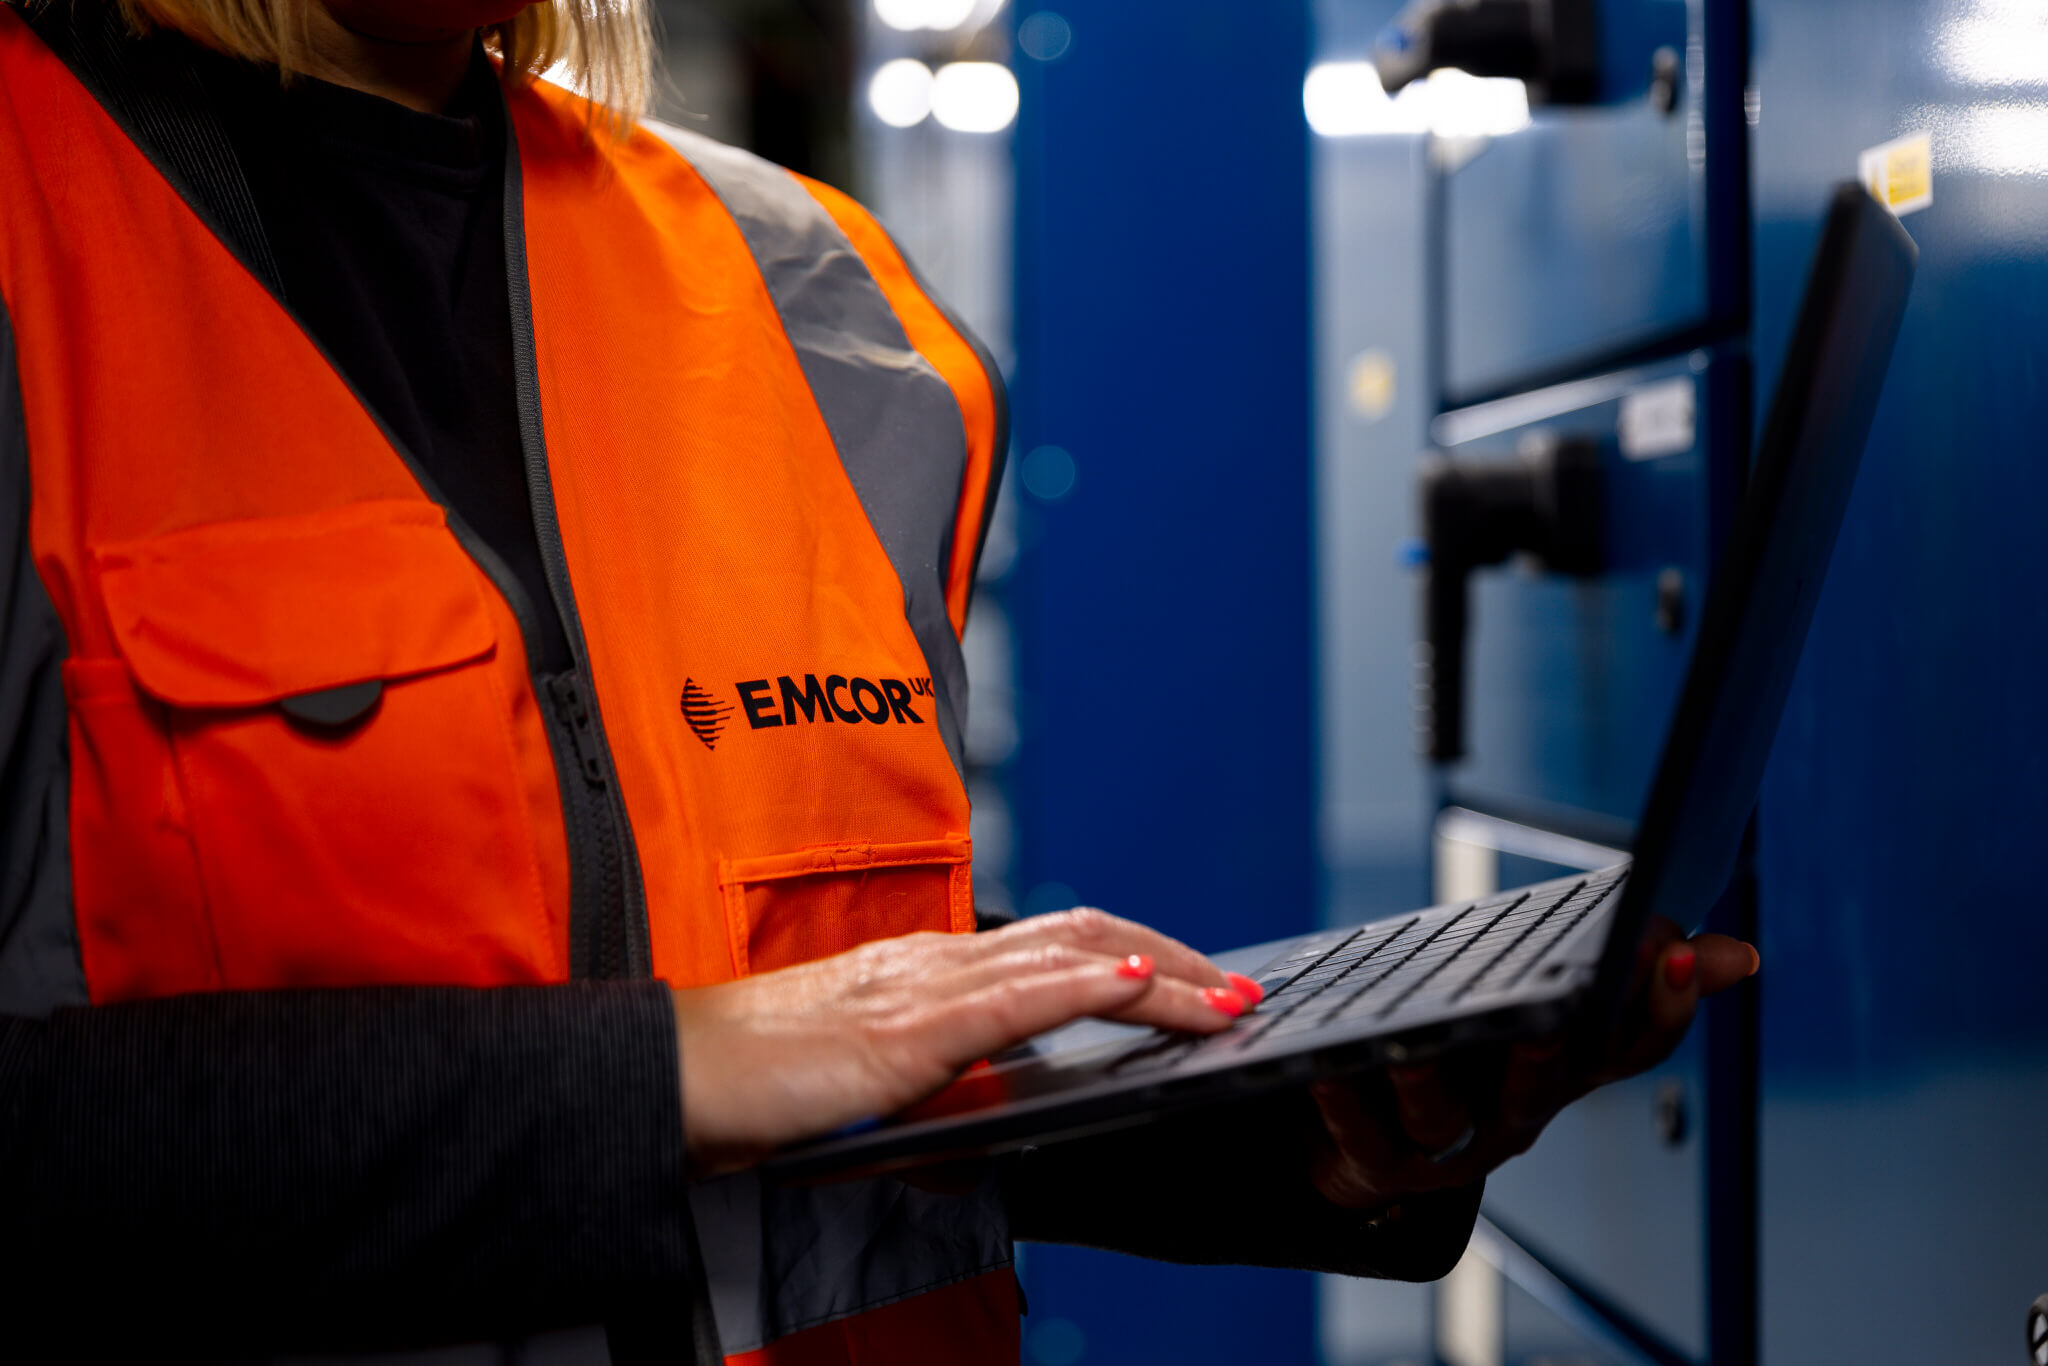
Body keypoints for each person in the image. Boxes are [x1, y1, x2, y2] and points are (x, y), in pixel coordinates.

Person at [0, 0, 1759, 1359]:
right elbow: (734, 1047)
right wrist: (668, 1069)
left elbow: (823, 1055)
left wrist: (1313, 1138)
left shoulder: (815, 302)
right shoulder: (37, 235)